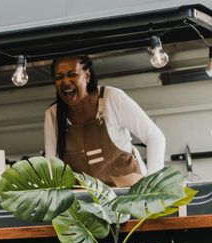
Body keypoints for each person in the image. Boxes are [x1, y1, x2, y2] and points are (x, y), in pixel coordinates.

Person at [44, 55, 166, 187]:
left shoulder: (112, 98)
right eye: (59, 77)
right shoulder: (53, 115)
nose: (66, 82)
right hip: (87, 202)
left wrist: (153, 186)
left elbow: (154, 136)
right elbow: (51, 164)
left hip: (128, 197)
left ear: (87, 76)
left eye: (72, 74)